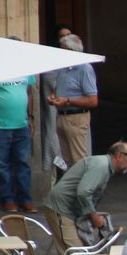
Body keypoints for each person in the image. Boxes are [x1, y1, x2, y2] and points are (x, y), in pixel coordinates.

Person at [0, 52, 39, 212]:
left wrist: (30, 116)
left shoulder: (26, 69)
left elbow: (29, 92)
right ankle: (8, 199)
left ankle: (25, 199)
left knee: (22, 163)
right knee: (1, 164)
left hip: (21, 124)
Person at [44, 141, 127, 247]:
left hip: (69, 210)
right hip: (61, 208)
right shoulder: (102, 166)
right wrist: (94, 217)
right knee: (76, 254)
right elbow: (83, 192)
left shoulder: (104, 166)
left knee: (81, 252)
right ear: (119, 155)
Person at [49, 27, 98, 169]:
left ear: (72, 51)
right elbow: (57, 88)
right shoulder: (63, 68)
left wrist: (68, 101)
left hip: (76, 118)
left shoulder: (84, 69)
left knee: (79, 160)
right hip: (61, 117)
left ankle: (83, 190)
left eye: (63, 49)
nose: (60, 51)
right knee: (67, 161)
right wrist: (53, 96)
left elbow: (93, 100)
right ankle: (71, 189)